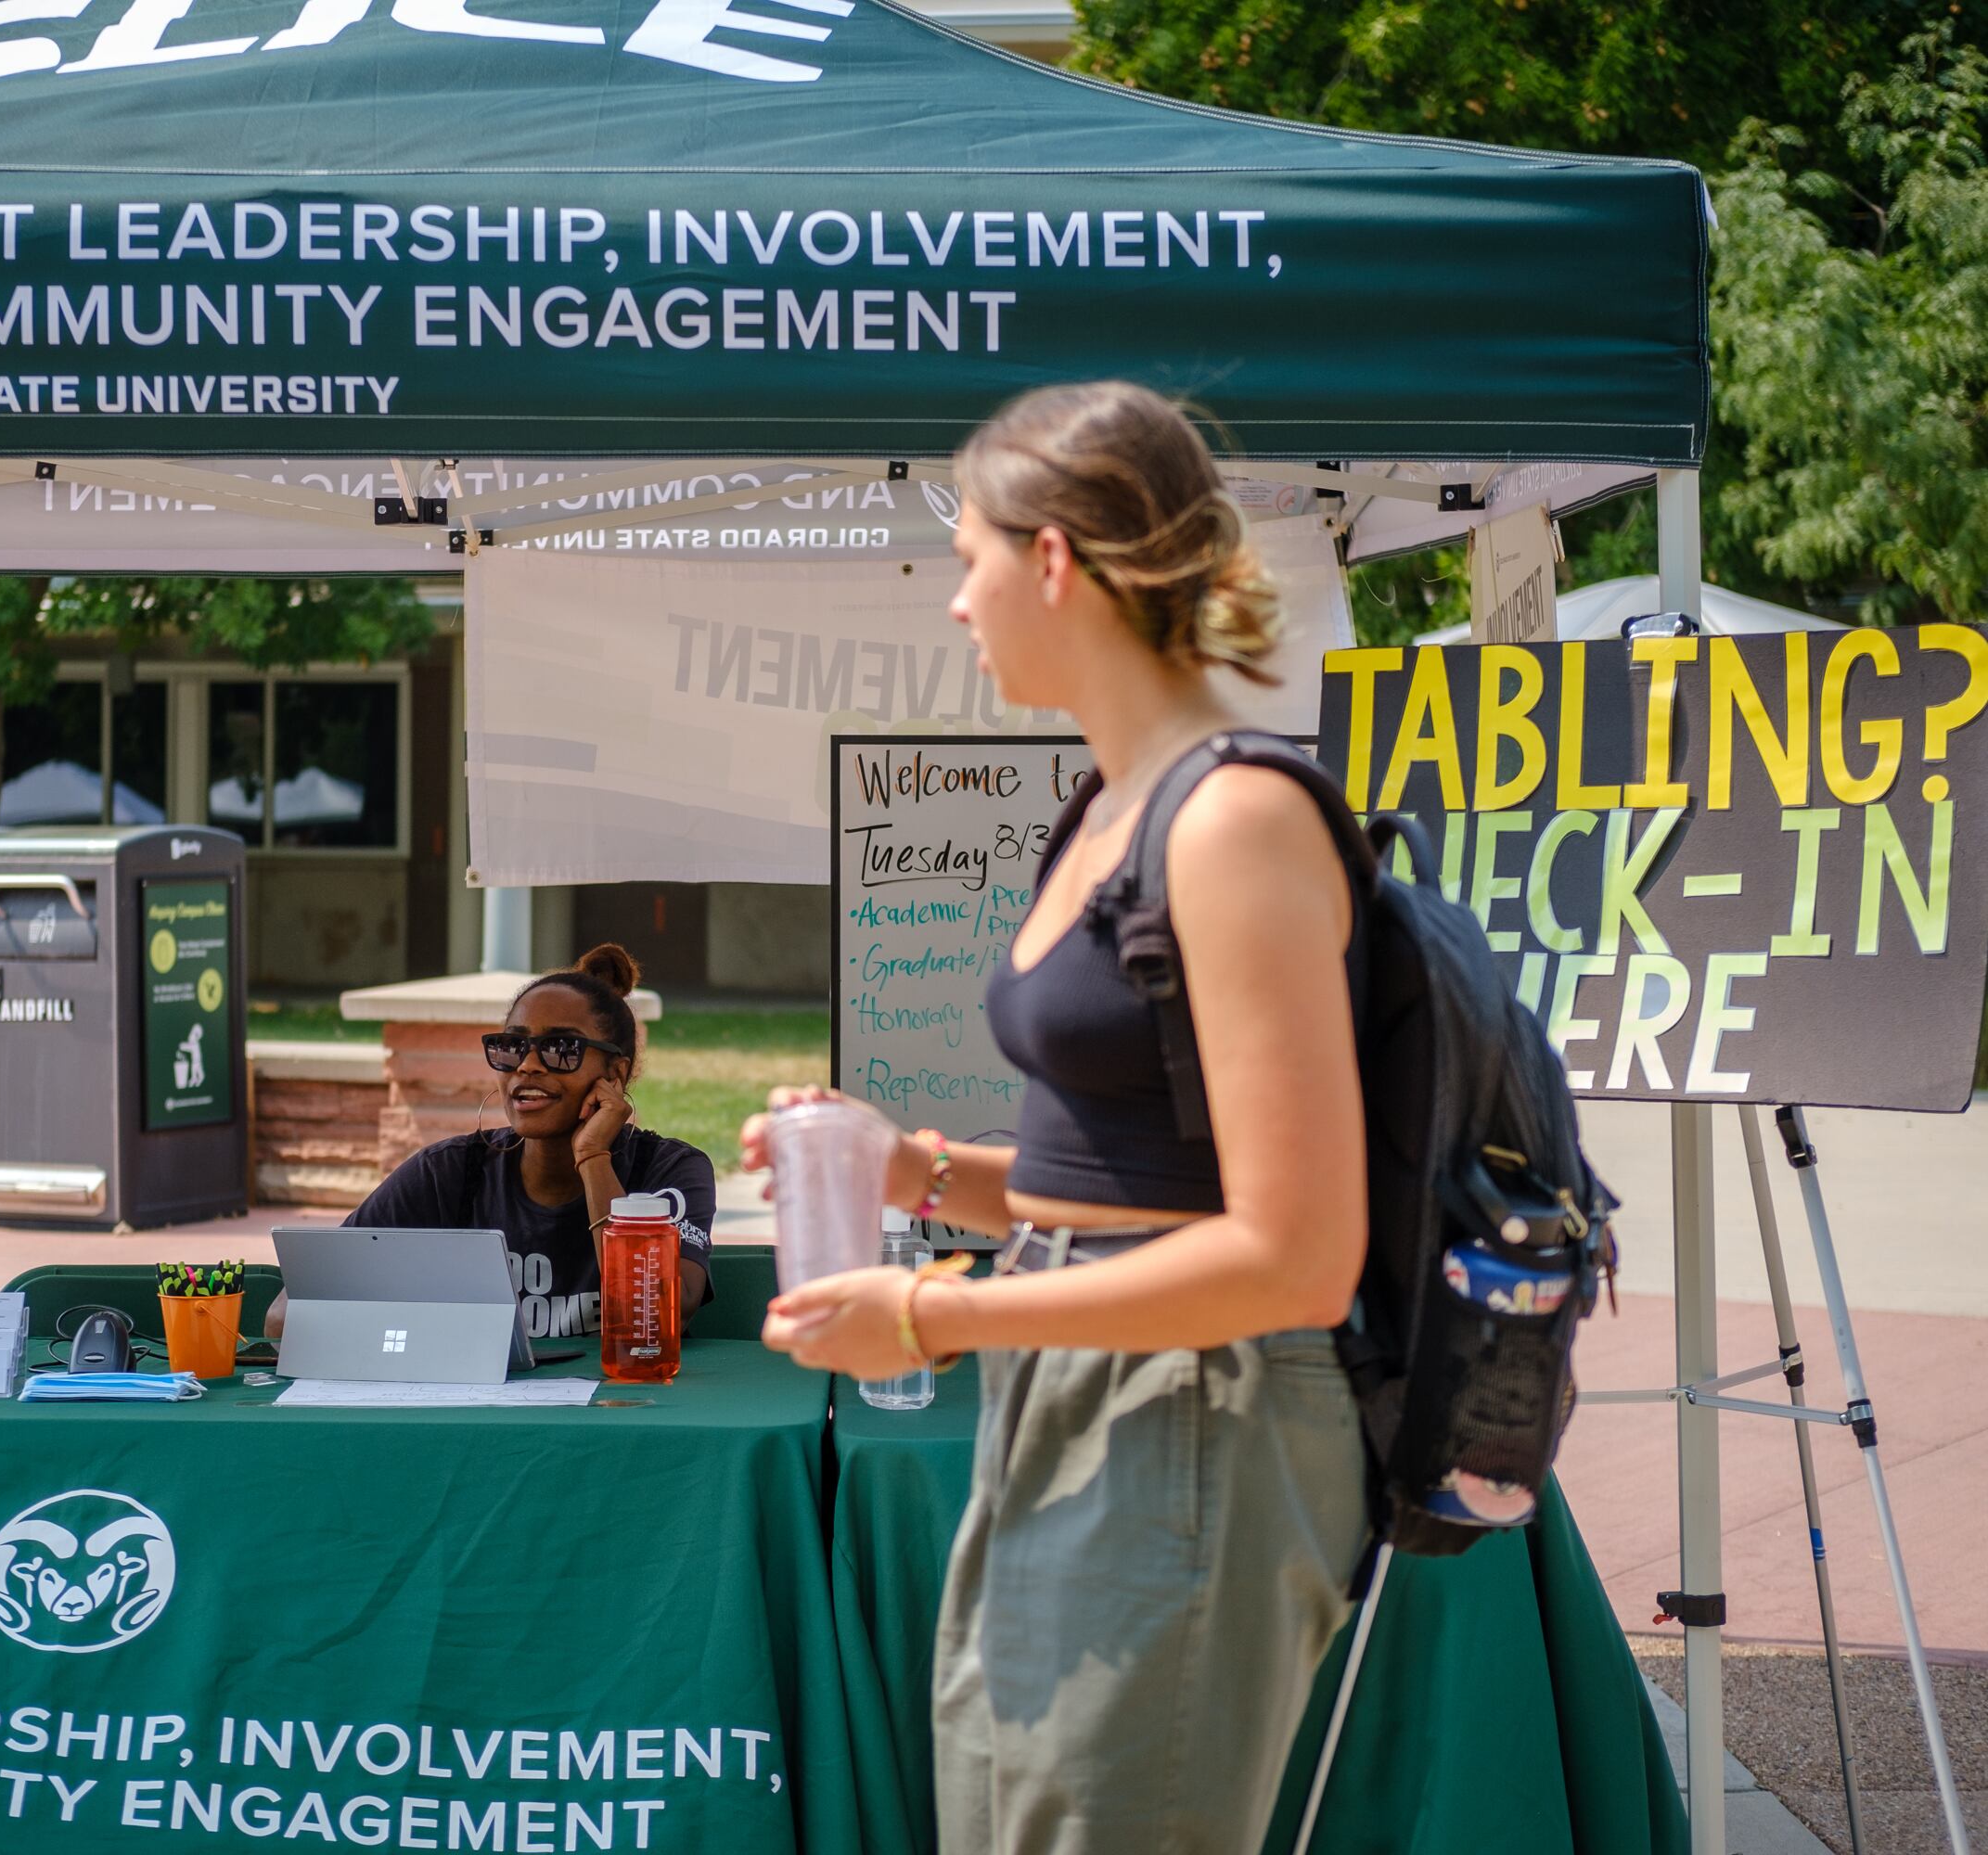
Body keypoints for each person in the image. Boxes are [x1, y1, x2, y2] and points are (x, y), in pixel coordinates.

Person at [747, 381, 1370, 1854]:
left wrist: (933, 1316)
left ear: (1054, 563)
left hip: (1196, 1411)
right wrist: (911, 1166)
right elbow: (1125, 1177)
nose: (954, 604)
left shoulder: (1233, 819)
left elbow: (1296, 1255)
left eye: (967, 559)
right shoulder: (1105, 806)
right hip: (1075, 1384)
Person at [267, 945, 714, 1344]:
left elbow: (656, 1317)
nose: (528, 1066)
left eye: (562, 1048)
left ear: (614, 1074)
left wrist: (594, 1157)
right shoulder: (450, 1174)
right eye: (512, 1047)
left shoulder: (670, 1171)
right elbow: (287, 1317)